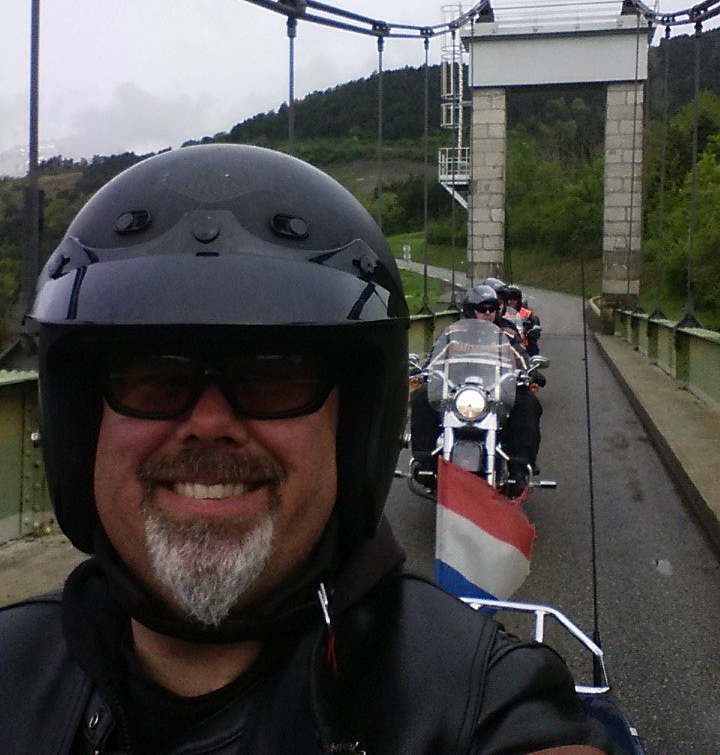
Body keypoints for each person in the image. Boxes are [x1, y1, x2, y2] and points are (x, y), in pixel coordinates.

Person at [0, 144, 611, 754]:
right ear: (81, 429)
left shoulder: (477, 699)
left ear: (355, 432)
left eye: (275, 375)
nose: (209, 423)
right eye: (151, 376)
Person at [411, 284, 543, 484]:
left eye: (492, 308)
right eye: (483, 309)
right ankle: (425, 462)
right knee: (422, 395)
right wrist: (423, 369)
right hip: (459, 389)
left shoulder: (506, 332)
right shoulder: (452, 332)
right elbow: (435, 356)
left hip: (495, 390)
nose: (488, 313)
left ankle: (521, 467)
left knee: (528, 402)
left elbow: (520, 356)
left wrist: (529, 371)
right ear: (470, 310)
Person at [506, 284, 542, 357]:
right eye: (508, 299)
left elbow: (535, 326)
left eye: (513, 299)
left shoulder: (527, 314)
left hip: (523, 346)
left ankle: (532, 362)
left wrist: (531, 330)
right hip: (505, 345)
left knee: (532, 350)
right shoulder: (498, 313)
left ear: (518, 300)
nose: (510, 301)